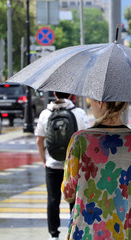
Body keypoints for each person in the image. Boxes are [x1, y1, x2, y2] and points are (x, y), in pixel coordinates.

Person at [61, 100, 131, 240]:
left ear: (100, 102)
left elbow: (68, 193)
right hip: (128, 233)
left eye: (90, 101)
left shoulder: (79, 140)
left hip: (86, 233)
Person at [36, 92, 90, 240]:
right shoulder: (79, 113)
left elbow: (39, 141)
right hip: (74, 165)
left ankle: (54, 235)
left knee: (53, 200)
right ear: (71, 94)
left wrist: (44, 161)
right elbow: (87, 137)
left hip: (52, 164)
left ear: (54, 93)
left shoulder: (45, 114)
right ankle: (74, 231)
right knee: (74, 200)